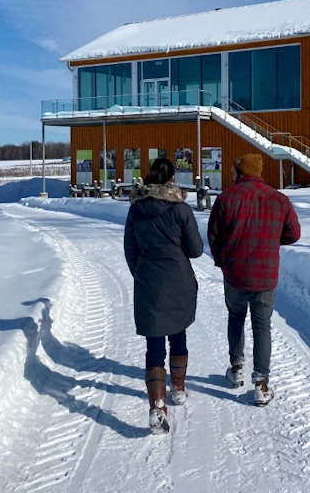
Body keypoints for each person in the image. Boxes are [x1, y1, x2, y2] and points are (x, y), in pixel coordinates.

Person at [207, 152, 301, 406]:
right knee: (262, 327)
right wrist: (270, 240)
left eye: (233, 171)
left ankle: (236, 368)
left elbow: (214, 236)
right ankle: (261, 383)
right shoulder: (279, 200)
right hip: (265, 274)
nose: (230, 175)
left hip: (235, 273)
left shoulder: (226, 199)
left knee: (236, 318)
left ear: (241, 172)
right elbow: (293, 234)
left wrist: (222, 260)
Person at [124, 157, 203, 433]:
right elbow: (196, 250)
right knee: (178, 332)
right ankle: (178, 388)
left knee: (154, 344)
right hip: (178, 279)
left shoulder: (136, 209)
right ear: (171, 179)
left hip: (149, 280)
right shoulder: (180, 208)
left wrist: (141, 273)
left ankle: (157, 406)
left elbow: (130, 250)